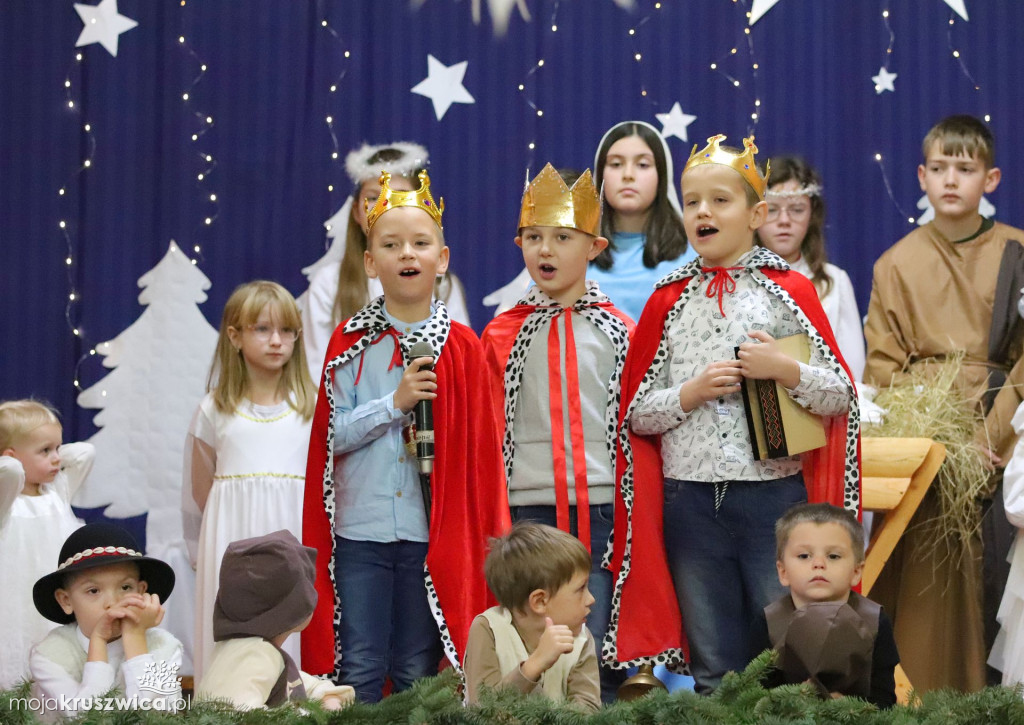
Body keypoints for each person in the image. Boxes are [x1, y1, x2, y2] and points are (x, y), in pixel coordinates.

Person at [604, 135, 859, 694]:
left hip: (771, 497)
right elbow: (635, 416)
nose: (703, 212)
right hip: (689, 500)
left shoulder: (786, 291)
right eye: (693, 202)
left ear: (756, 214)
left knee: (788, 656)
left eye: (720, 201)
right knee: (713, 662)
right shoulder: (667, 299)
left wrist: (783, 368)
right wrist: (688, 394)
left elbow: (839, 396)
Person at [302, 169, 510, 701]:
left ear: (442, 258)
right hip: (361, 533)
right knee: (363, 660)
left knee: (421, 663)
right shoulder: (350, 344)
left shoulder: (463, 348)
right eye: (390, 245)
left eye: (420, 243)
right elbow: (332, 439)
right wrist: (393, 405)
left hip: (429, 533)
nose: (406, 254)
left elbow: (478, 457)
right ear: (371, 263)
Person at [864, 114, 1024, 692]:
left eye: (965, 168)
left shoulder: (1018, 253)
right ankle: (930, 694)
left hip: (1002, 430)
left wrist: (994, 437)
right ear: (921, 177)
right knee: (929, 577)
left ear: (993, 178)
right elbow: (883, 368)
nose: (951, 180)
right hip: (926, 443)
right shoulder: (895, 262)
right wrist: (928, 442)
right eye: (939, 169)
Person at [481, 163, 632, 702]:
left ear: (594, 246)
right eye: (534, 237)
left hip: (600, 510)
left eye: (562, 238)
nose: (545, 250)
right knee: (527, 642)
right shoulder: (501, 334)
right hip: (528, 509)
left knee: (602, 643)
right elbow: (486, 428)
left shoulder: (620, 332)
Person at [184, 280, 317, 683]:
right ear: (235, 336)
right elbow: (200, 492)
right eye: (262, 329)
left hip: (291, 532)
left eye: (286, 331)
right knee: (233, 644)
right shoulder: (213, 410)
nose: (276, 341)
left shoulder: (310, 408)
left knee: (290, 633)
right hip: (231, 535)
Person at [484, 121, 695, 320]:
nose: (628, 175)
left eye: (642, 164)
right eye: (616, 164)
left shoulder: (694, 256)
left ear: (662, 175)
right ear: (600, 174)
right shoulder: (571, 249)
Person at [302, 142, 470, 380]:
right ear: (356, 211)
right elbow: (317, 369)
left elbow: (460, 365)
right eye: (373, 197)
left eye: (399, 196)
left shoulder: (441, 283)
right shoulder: (329, 282)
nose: (387, 206)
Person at [750, 503, 899, 708]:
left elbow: (884, 698)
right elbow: (756, 695)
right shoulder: (768, 622)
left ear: (856, 571)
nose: (818, 563)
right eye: (804, 556)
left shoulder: (875, 620)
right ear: (782, 572)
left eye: (833, 556)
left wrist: (847, 706)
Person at [30, 523, 182, 717]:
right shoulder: (51, 655)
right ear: (66, 600)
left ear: (142, 591)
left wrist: (135, 637)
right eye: (93, 591)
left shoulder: (163, 647)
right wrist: (98, 641)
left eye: (125, 588)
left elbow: (156, 716)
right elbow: (87, 717)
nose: (112, 603)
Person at [195, 530, 355, 710]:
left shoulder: (252, 649)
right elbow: (239, 715)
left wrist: (328, 698)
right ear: (292, 606)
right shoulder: (254, 656)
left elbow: (297, 683)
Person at [0, 400, 92, 690]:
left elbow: (86, 453)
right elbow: (10, 472)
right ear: (12, 455)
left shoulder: (58, 491)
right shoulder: (8, 501)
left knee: (58, 664)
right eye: (45, 451)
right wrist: (13, 459)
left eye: (57, 448)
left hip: (56, 599)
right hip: (17, 600)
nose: (56, 458)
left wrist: (47, 449)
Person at [464, 522, 600, 711]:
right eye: (580, 589)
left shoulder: (581, 639)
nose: (591, 599)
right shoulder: (489, 629)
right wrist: (533, 666)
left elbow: (588, 710)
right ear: (539, 601)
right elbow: (482, 712)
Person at [756, 156, 865, 380]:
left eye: (796, 209)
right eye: (773, 210)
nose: (784, 220)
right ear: (755, 214)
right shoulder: (734, 280)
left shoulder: (834, 281)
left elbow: (853, 371)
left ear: (811, 214)